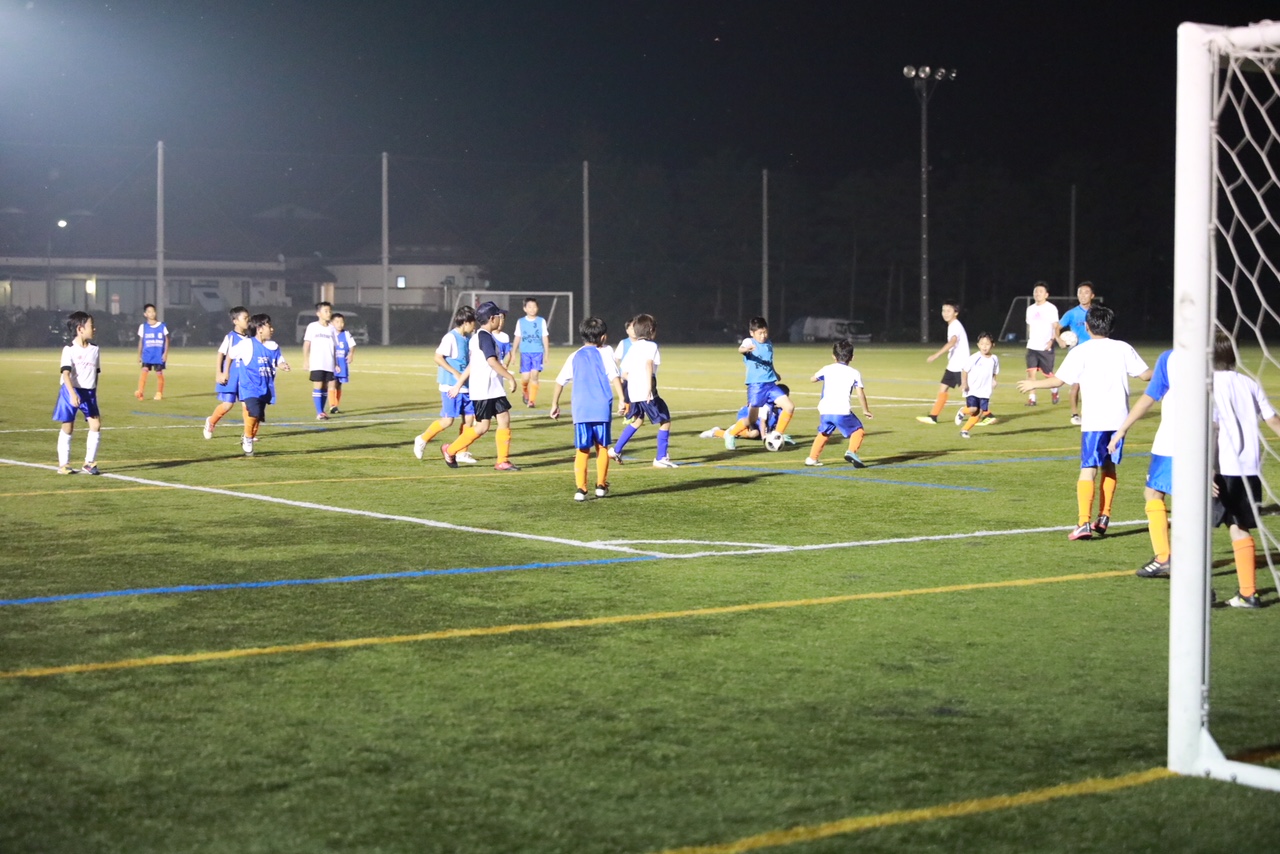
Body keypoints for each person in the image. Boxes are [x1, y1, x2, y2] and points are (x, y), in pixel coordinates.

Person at [1017, 305, 1151, 540]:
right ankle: (1104, 516)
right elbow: (1145, 374)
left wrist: (1033, 384)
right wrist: (1170, 369)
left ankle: (1083, 523)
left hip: (1095, 420)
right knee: (1109, 466)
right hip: (1119, 420)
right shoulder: (1123, 348)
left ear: (1087, 327)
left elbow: (1058, 381)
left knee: (1088, 469)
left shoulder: (1081, 351)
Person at [1209, 334, 1280, 608]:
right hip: (1249, 467)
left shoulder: (1209, 386)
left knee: (1198, 525)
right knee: (1238, 526)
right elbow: (1273, 420)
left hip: (1222, 467)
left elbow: (1211, 430)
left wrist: (1208, 469)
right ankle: (1248, 593)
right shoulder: (1249, 383)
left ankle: (1197, 588)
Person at [1107, 348, 1175, 578]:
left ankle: (1164, 557)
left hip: (1173, 441)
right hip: (1211, 439)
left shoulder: (1170, 358)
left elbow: (1149, 397)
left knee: (1154, 493)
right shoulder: (1217, 359)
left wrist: (1122, 429)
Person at [550, 316, 625, 501]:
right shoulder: (605, 353)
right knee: (602, 447)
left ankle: (581, 489)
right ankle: (600, 485)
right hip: (601, 408)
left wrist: (554, 404)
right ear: (603, 337)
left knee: (582, 449)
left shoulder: (574, 355)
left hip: (581, 409)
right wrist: (622, 399)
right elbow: (614, 376)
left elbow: (560, 381)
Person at [442, 301, 520, 471]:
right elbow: (491, 361)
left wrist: (459, 383)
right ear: (491, 318)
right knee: (482, 427)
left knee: (504, 419)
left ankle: (502, 461)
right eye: (498, 316)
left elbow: (473, 364)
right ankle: (450, 450)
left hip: (494, 388)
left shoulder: (480, 336)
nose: (501, 319)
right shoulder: (484, 336)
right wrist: (510, 377)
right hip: (484, 390)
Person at [610, 313, 677, 468]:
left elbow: (624, 373)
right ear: (651, 330)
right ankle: (661, 458)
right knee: (665, 420)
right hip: (647, 392)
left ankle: (615, 450)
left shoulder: (633, 347)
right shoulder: (651, 346)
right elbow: (648, 364)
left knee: (638, 420)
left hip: (634, 392)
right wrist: (647, 388)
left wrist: (635, 382)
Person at [414, 305, 479, 464]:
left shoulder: (468, 338)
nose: (474, 326)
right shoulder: (450, 338)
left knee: (469, 419)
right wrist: (455, 372)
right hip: (451, 386)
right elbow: (437, 357)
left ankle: (462, 452)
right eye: (473, 323)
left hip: (466, 386)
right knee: (448, 421)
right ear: (466, 322)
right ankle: (422, 439)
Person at [724, 317, 795, 449]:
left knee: (789, 407)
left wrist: (775, 372)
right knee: (751, 420)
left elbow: (769, 361)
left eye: (765, 332)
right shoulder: (749, 341)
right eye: (760, 333)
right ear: (752, 333)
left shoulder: (769, 344)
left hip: (771, 384)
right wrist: (747, 349)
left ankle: (777, 435)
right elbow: (740, 349)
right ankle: (731, 434)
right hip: (756, 386)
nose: (763, 336)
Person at [805, 339, 873, 467]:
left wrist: (820, 377)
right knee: (858, 430)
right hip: (842, 410)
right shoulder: (854, 373)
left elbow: (812, 379)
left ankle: (812, 458)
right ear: (852, 357)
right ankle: (851, 452)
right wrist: (865, 410)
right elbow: (860, 393)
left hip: (825, 410)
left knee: (824, 432)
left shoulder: (827, 369)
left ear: (833, 356)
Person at [228, 313, 289, 456]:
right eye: (269, 326)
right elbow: (230, 354)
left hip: (265, 387)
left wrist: (283, 365)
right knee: (254, 413)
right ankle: (248, 439)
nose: (272, 329)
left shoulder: (273, 346)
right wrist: (225, 372)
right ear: (259, 329)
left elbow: (279, 360)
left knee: (258, 417)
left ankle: (248, 436)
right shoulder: (246, 344)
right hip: (249, 387)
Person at [52, 311, 103, 475]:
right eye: (91, 326)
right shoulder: (69, 349)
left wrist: (93, 392)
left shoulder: (95, 349)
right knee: (68, 426)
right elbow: (66, 374)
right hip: (70, 391)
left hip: (89, 393)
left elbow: (96, 373)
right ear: (80, 329)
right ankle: (64, 464)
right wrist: (73, 394)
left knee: (96, 425)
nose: (94, 329)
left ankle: (89, 463)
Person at [916, 300, 970, 425]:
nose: (945, 313)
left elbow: (952, 342)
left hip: (960, 365)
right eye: (943, 310)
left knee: (969, 393)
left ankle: (987, 414)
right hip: (953, 365)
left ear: (956, 313)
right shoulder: (952, 325)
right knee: (943, 388)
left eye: (948, 311)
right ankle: (933, 416)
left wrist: (936, 355)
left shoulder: (955, 325)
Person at [203, 306, 250, 439]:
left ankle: (248, 434)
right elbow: (221, 354)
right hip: (231, 376)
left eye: (248, 318)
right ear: (235, 321)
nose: (248, 320)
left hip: (245, 377)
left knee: (247, 405)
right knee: (227, 405)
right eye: (245, 318)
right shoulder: (230, 337)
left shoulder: (250, 338)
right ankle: (211, 422)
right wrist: (220, 373)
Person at [1055, 282, 1096, 425]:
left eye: (1086, 292)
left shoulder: (1096, 313)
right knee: (1075, 386)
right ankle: (1075, 415)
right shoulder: (1071, 313)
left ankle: (1089, 413)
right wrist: (1059, 340)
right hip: (1077, 354)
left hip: (1094, 353)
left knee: (1093, 385)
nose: (1083, 295)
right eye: (1080, 292)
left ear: (1092, 295)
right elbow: (1057, 327)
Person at [302, 301, 340, 421]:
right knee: (318, 385)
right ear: (318, 313)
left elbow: (334, 346)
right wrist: (306, 360)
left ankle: (322, 411)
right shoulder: (312, 326)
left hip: (329, 362)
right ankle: (319, 412)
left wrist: (336, 363)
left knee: (324, 387)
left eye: (330, 311)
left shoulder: (332, 329)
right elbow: (307, 344)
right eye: (326, 311)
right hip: (317, 362)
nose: (329, 313)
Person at [1024, 282, 1059, 406]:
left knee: (1048, 375)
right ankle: (1032, 399)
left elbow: (1055, 326)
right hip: (1032, 346)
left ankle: (1054, 390)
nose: (1037, 293)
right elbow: (1029, 326)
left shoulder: (1051, 308)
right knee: (1031, 373)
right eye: (1036, 291)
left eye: (1040, 291)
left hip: (1045, 347)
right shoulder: (1030, 309)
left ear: (1046, 295)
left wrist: (1052, 340)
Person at [959, 332, 1000, 438]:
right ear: (978, 345)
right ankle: (963, 411)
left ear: (992, 345)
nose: (984, 346)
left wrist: (994, 380)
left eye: (987, 344)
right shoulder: (974, 357)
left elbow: (994, 372)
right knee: (973, 409)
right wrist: (964, 383)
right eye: (982, 344)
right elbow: (964, 370)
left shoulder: (994, 359)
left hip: (985, 391)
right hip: (972, 389)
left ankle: (964, 430)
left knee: (979, 412)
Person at [512, 297, 550, 408]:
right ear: (525, 309)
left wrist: (547, 353)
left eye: (534, 307)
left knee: (535, 375)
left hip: (538, 352)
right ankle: (524, 390)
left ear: (537, 308)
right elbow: (517, 337)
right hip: (525, 353)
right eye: (529, 307)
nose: (532, 309)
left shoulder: (541, 321)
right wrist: (513, 353)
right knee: (525, 378)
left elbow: (545, 337)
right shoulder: (521, 322)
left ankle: (531, 401)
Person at [699, 395, 789, 442]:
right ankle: (716, 433)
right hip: (747, 417)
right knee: (754, 433)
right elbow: (762, 421)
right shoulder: (766, 406)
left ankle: (729, 430)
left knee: (755, 434)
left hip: (757, 424)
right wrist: (764, 438)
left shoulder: (782, 411)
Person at [134, 303, 169, 401]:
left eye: (153, 311)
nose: (152, 313)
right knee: (144, 371)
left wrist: (165, 353)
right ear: (145, 314)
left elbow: (166, 340)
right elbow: (141, 341)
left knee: (159, 373)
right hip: (147, 354)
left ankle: (159, 393)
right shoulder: (143, 327)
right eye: (149, 312)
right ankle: (140, 392)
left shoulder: (162, 326)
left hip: (158, 354)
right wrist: (139, 355)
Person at [329, 312, 356, 414]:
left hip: (342, 363)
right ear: (332, 323)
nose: (340, 324)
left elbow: (352, 345)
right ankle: (332, 405)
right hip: (331, 362)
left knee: (339, 384)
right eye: (337, 322)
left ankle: (336, 405)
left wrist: (351, 354)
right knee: (332, 383)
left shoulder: (346, 334)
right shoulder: (329, 334)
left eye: (341, 322)